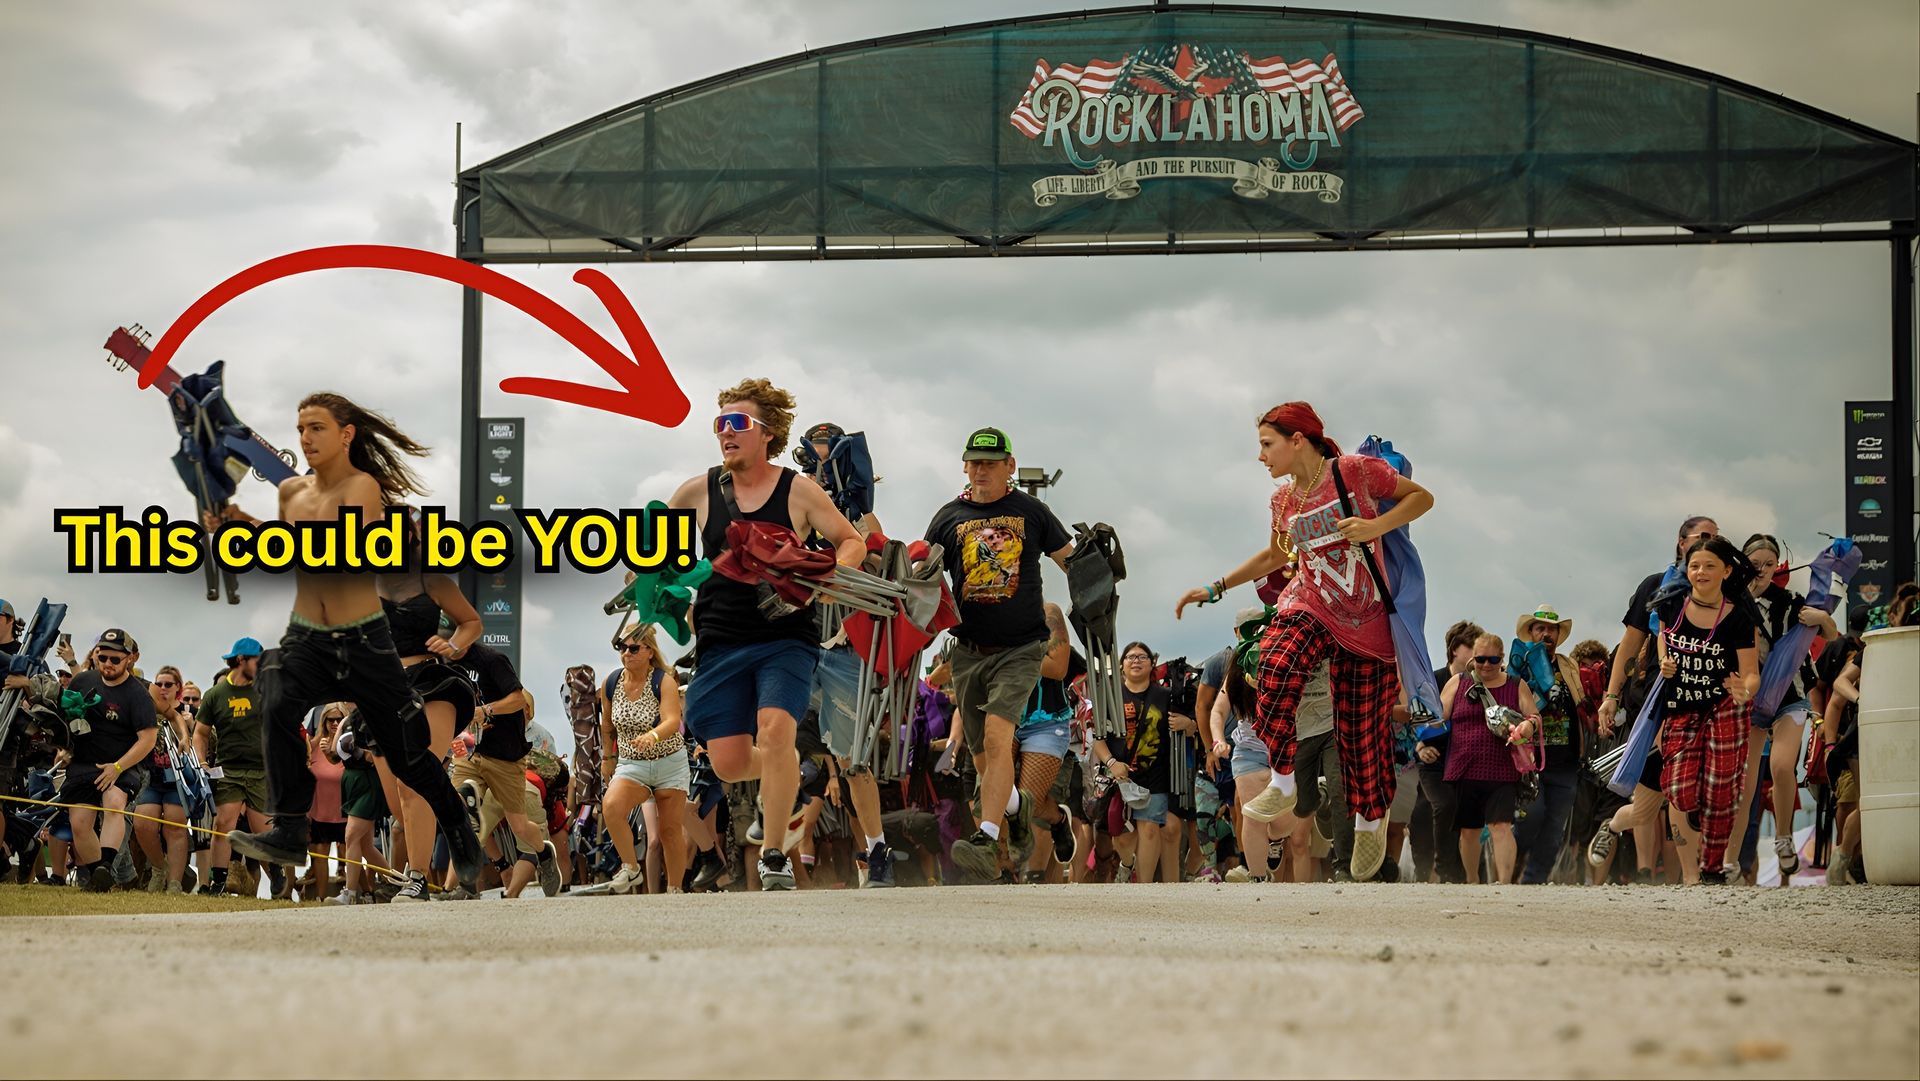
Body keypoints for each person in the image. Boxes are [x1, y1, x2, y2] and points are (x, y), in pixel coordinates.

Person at [211, 392, 485, 899]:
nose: (306, 438)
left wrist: (453, 644)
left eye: (317, 428)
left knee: (409, 762)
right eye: (301, 429)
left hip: (376, 649)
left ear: (345, 435)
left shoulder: (363, 491)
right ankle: (291, 827)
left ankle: (459, 830)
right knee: (273, 690)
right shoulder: (293, 495)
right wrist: (240, 527)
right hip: (311, 638)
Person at [1175, 401, 1435, 880]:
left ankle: (1370, 820)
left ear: (1298, 441)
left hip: (1366, 618)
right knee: (1272, 665)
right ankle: (1283, 780)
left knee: (1362, 739)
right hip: (1311, 603)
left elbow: (1422, 498)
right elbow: (1276, 556)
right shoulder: (1283, 501)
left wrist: (1376, 526)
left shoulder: (1355, 473)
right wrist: (1216, 588)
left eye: (1266, 445)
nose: (1261, 457)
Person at [668, 379, 864, 891]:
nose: (725, 434)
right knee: (731, 764)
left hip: (785, 635)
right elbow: (651, 554)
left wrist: (825, 577)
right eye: (720, 425)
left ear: (768, 433)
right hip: (718, 638)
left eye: (737, 424)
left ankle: (775, 853)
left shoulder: (798, 490)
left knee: (776, 729)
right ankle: (786, 772)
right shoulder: (697, 491)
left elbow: (851, 542)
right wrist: (647, 577)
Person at [923, 426, 1075, 882]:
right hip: (969, 650)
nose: (980, 469)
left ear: (1010, 465)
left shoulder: (1031, 511)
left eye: (990, 462)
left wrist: (1098, 582)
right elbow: (924, 578)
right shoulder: (948, 517)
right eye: (973, 462)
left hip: (1022, 647)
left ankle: (987, 839)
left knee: (996, 736)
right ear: (965, 466)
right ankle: (1023, 809)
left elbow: (1071, 561)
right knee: (987, 759)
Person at [1645, 535, 1761, 884]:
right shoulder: (1670, 604)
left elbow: (1753, 673)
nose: (1701, 572)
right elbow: (1664, 636)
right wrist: (1665, 659)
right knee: (1680, 792)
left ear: (1727, 571)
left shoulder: (1739, 618)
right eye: (1694, 565)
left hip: (1725, 707)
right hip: (1681, 707)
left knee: (1722, 790)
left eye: (1710, 565)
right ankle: (1698, 814)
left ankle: (1712, 869)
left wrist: (1745, 691)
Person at [6, 628, 156, 892]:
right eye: (102, 657)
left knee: (114, 802)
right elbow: (61, 714)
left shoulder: (138, 694)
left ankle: (106, 867)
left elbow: (147, 740)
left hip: (122, 764)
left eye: (114, 659)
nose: (107, 664)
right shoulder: (83, 681)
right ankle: (100, 879)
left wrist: (117, 767)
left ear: (130, 659)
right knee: (79, 823)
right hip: (84, 762)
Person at [1723, 534, 1835, 879]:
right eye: (1755, 563)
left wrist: (1823, 617)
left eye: (1769, 564)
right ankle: (1728, 860)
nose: (1761, 570)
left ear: (1778, 568)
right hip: (1749, 698)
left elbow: (1829, 634)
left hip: (1791, 694)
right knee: (1746, 780)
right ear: (1743, 563)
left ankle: (1784, 838)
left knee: (1784, 766)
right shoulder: (1729, 601)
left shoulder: (1789, 601)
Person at [453, 641, 560, 898]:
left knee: (520, 826)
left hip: (505, 757)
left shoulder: (492, 659)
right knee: (457, 805)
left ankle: (544, 852)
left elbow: (516, 699)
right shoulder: (444, 664)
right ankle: (464, 879)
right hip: (471, 750)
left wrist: (485, 711)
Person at [1440, 633, 1540, 884]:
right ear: (1473, 658)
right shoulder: (1458, 682)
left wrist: (1527, 728)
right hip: (1465, 768)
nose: (1486, 665)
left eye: (1493, 659)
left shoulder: (1516, 685)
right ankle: (1472, 880)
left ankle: (1505, 883)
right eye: (1481, 659)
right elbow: (1438, 715)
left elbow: (1534, 717)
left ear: (1502, 658)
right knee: (1469, 830)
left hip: (1503, 769)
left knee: (1501, 826)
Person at [597, 625, 689, 895]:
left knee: (669, 831)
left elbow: (673, 720)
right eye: (622, 648)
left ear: (649, 651)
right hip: (632, 763)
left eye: (634, 648)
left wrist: (653, 735)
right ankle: (631, 868)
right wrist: (607, 757)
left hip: (668, 760)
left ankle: (674, 888)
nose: (627, 653)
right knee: (611, 806)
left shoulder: (663, 680)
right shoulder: (611, 683)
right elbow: (606, 725)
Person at [1510, 606, 1586, 884]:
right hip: (1528, 759)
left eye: (1551, 629)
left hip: (1566, 760)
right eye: (1540, 628)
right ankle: (1512, 860)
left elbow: (1579, 704)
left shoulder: (1568, 667)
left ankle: (1534, 882)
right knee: (1530, 818)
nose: (1546, 633)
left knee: (1555, 828)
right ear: (1531, 633)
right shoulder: (1517, 666)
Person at [1013, 602, 1082, 883]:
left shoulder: (1047, 611)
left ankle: (1058, 820)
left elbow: (1057, 667)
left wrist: (1007, 653)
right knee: (998, 796)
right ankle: (1007, 872)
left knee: (1026, 803)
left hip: (1045, 720)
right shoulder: (986, 611)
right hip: (1002, 716)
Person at [195, 638, 268, 895]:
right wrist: (202, 761)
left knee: (264, 829)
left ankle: (279, 874)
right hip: (228, 769)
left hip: (262, 770)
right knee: (223, 824)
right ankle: (218, 882)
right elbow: (200, 732)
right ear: (241, 660)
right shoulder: (215, 695)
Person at [1414, 620, 1480, 883]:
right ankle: (1430, 871)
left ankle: (1453, 873)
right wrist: (1420, 746)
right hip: (1433, 759)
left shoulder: (1479, 685)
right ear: (1455, 649)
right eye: (1472, 647)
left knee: (1456, 812)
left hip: (1464, 761)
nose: (1477, 654)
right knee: (1430, 809)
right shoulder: (1433, 679)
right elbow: (1418, 716)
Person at [131, 665, 193, 893]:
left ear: (178, 687)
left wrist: (188, 729)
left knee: (175, 827)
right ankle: (159, 868)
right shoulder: (145, 707)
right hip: (150, 776)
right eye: (159, 684)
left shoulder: (186, 713)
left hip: (177, 778)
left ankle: (175, 883)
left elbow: (204, 741)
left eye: (168, 684)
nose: (163, 688)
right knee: (142, 824)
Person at [305, 705, 348, 902]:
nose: (335, 723)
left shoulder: (348, 744)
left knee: (350, 854)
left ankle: (359, 892)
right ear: (322, 722)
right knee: (319, 856)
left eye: (339, 719)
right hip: (319, 812)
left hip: (346, 810)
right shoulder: (313, 746)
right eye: (330, 719)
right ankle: (320, 898)